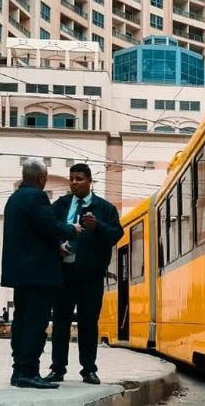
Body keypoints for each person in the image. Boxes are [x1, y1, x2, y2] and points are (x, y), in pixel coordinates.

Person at [1, 158, 81, 389]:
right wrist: (72, 229)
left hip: (21, 274)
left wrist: (55, 245)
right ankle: (29, 372)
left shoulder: (14, 198)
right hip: (38, 274)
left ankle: (18, 371)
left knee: (22, 322)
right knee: (36, 324)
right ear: (41, 178)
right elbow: (50, 226)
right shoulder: (36, 196)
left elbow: (33, 234)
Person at [46, 164, 123, 385]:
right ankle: (57, 368)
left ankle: (88, 369)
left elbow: (116, 235)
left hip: (91, 276)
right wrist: (57, 245)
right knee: (60, 322)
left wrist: (97, 227)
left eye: (79, 179)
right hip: (64, 273)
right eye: (72, 178)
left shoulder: (105, 208)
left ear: (90, 181)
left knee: (89, 323)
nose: (74, 182)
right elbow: (48, 229)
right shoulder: (60, 205)